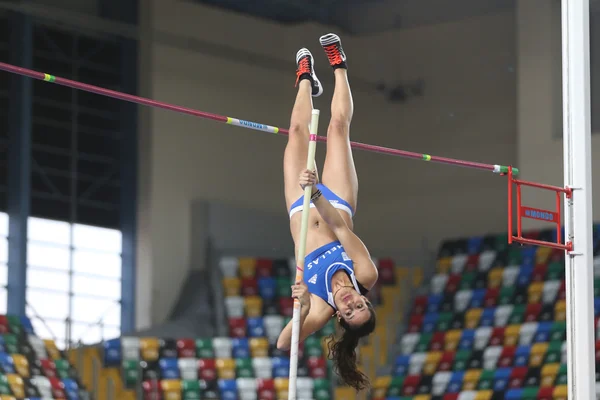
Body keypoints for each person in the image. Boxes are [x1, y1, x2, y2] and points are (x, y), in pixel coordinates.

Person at [276, 33, 379, 392]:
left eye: (349, 313)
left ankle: (305, 79)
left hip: (299, 208)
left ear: (341, 318)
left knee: (296, 134)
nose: (352, 303)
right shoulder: (364, 271)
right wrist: (318, 192)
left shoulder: (320, 306)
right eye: (360, 305)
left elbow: (284, 343)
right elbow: (339, 227)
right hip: (334, 202)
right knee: (336, 128)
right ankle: (339, 65)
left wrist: (302, 309)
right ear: (366, 298)